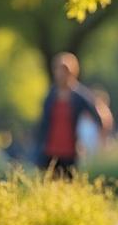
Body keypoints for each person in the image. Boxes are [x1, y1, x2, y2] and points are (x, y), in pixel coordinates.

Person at [35, 52, 112, 180]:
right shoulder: (50, 96)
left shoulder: (80, 96)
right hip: (49, 151)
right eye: (58, 70)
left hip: (70, 153)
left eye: (64, 70)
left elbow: (101, 116)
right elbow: (43, 125)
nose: (60, 74)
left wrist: (101, 139)